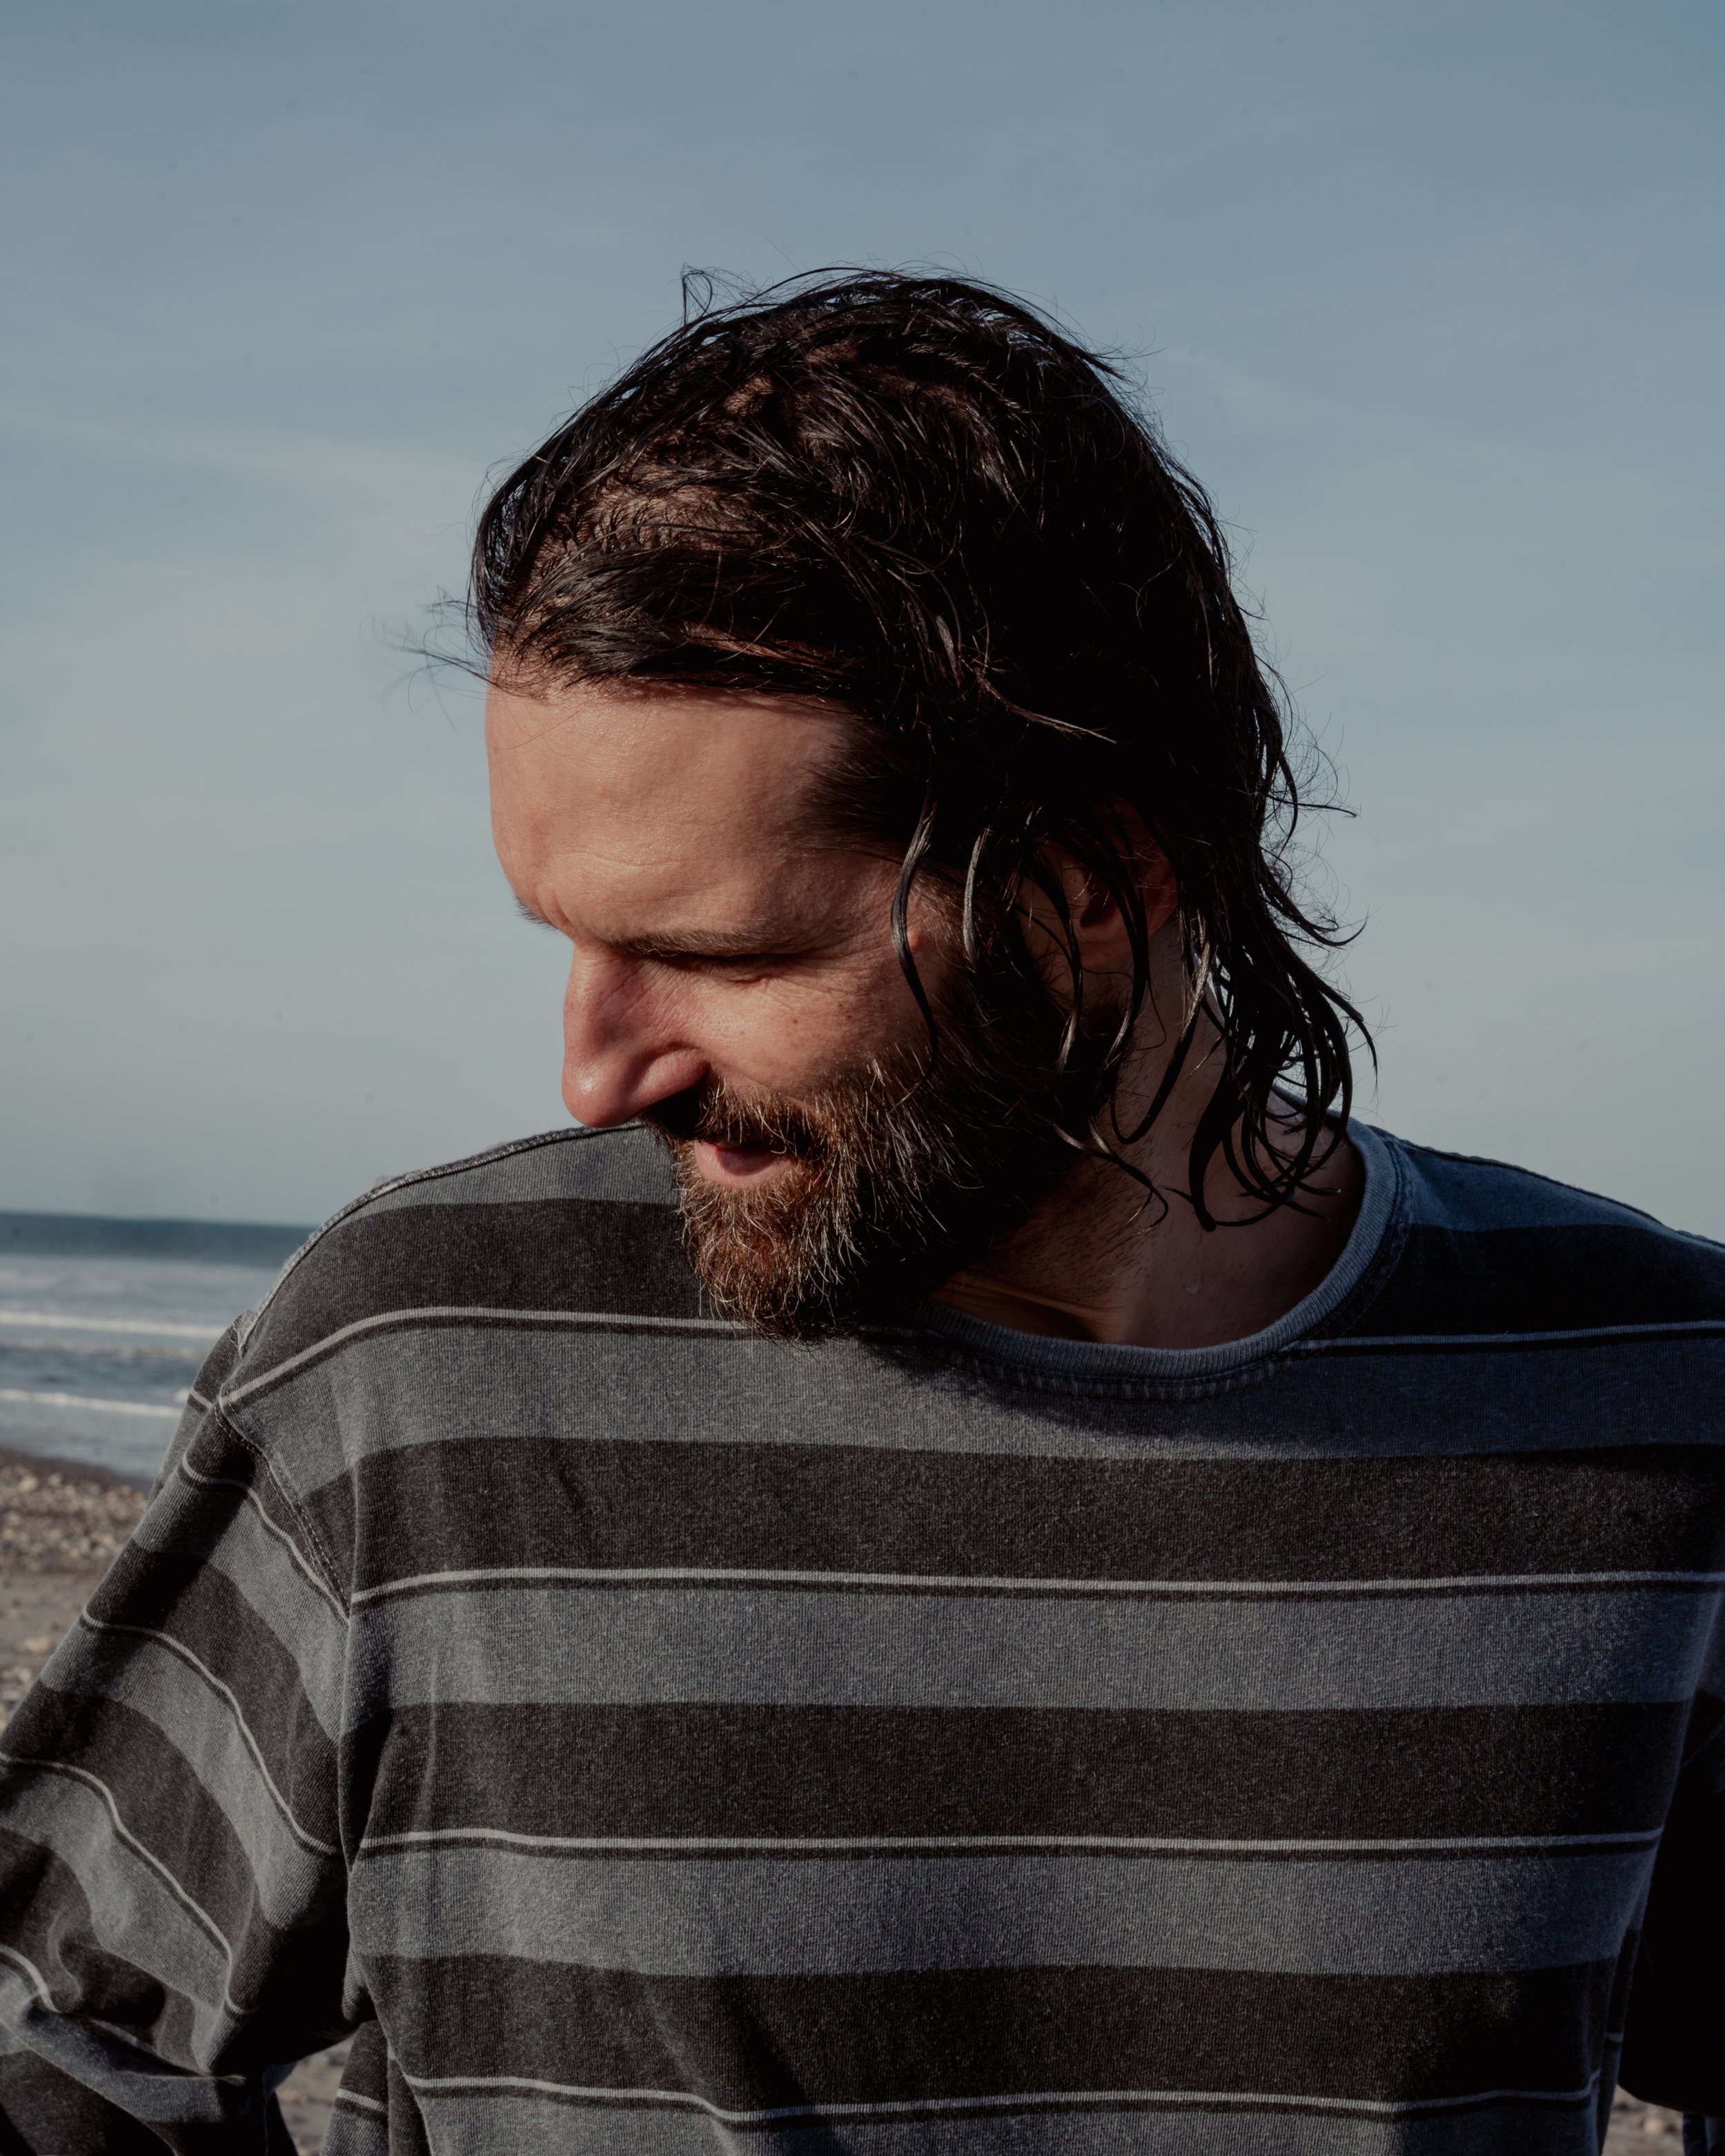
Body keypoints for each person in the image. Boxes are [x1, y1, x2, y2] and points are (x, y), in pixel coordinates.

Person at [1, 272, 1719, 2156]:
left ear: (1089, 886)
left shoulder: (1653, 1391)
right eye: (568, 936)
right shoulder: (417, 1366)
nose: (597, 1071)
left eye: (710, 951)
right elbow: (67, 2053)